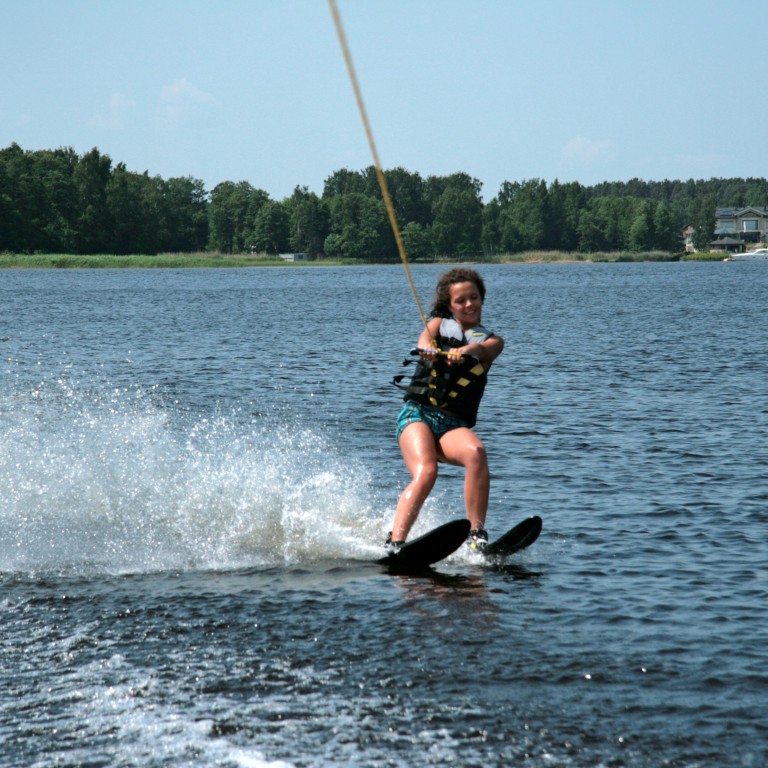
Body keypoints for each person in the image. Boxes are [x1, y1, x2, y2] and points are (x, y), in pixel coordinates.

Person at [387, 268, 504, 554]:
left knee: (476, 453)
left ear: (482, 299)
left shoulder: (492, 341)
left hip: (451, 425)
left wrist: (465, 351)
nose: (469, 304)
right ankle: (396, 543)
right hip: (418, 415)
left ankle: (477, 536)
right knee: (427, 471)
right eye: (460, 300)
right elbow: (424, 341)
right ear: (450, 305)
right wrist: (428, 350)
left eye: (473, 297)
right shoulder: (438, 324)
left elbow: (483, 350)